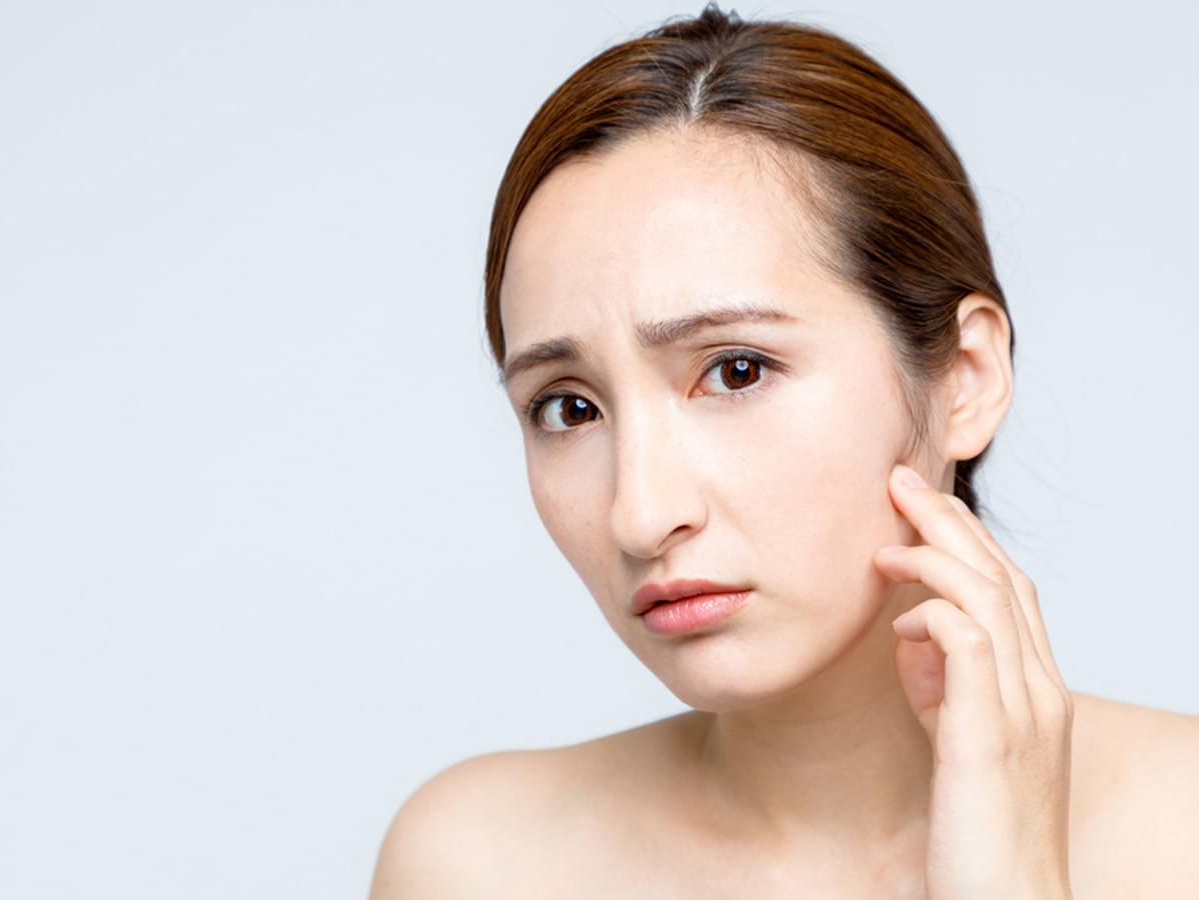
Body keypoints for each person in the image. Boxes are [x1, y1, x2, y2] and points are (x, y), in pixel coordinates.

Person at [370, 6, 1199, 897]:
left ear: (964, 377)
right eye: (569, 408)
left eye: (735, 370)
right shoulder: (480, 862)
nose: (641, 514)